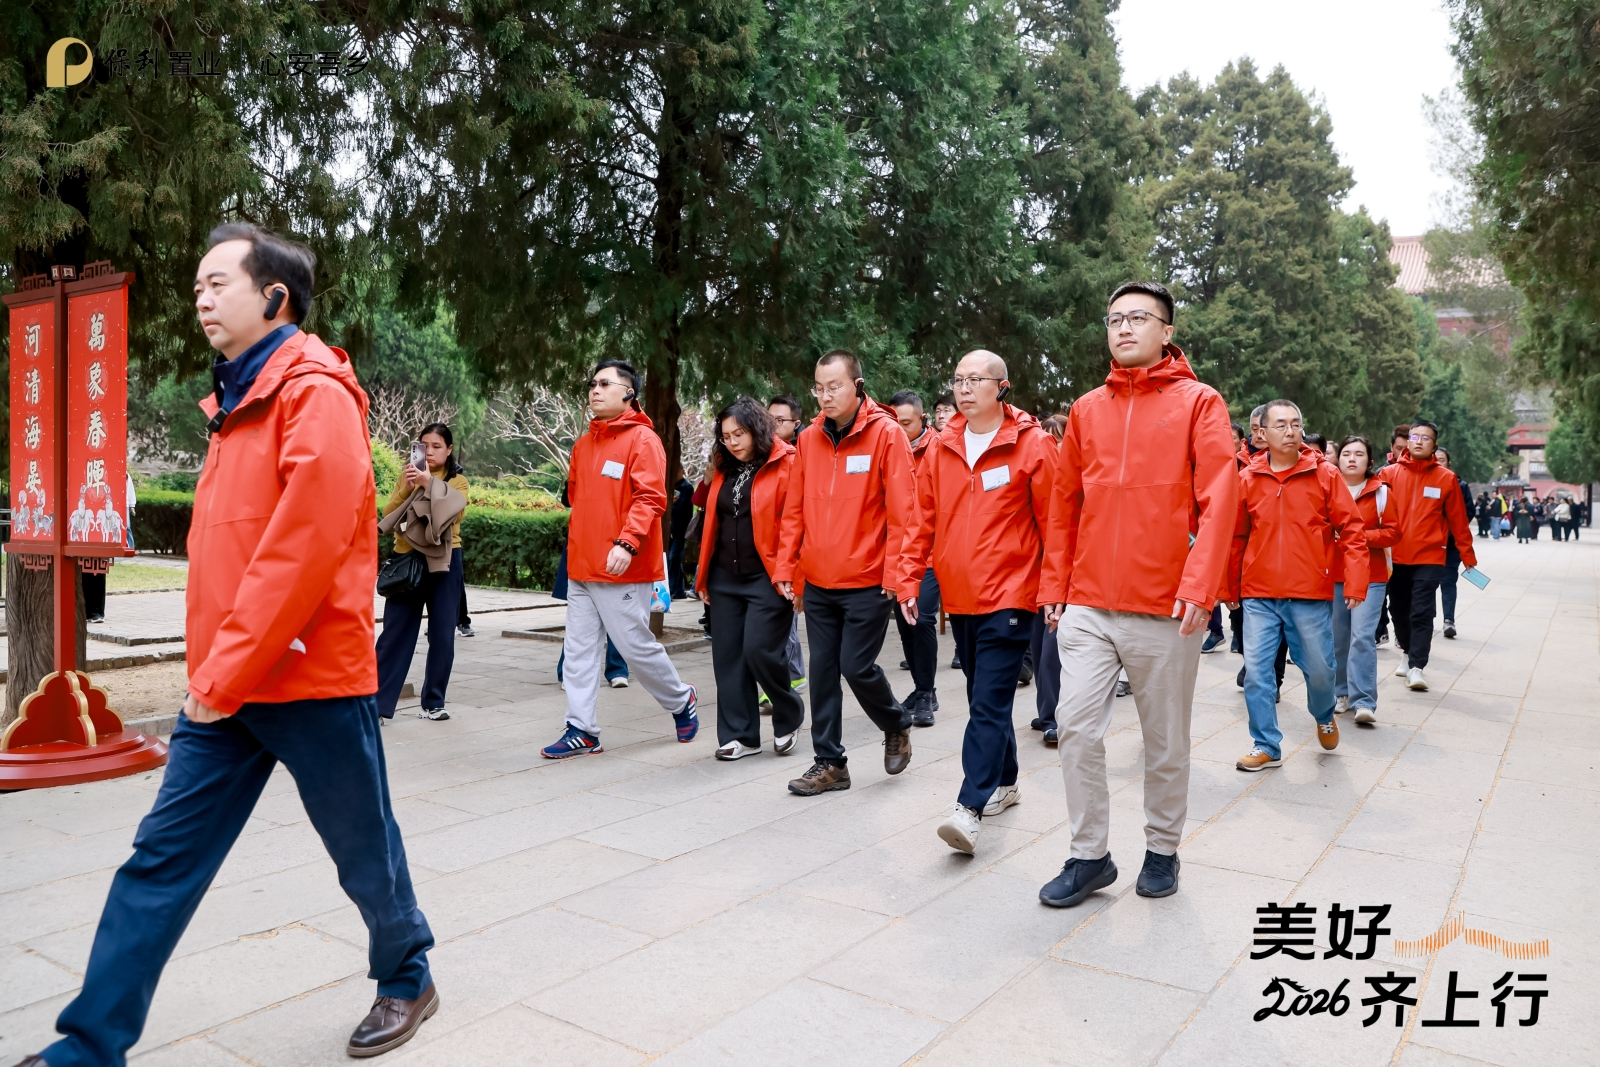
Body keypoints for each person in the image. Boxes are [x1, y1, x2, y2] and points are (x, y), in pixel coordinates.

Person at [16, 224, 440, 1067]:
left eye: (219, 284)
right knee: (160, 861)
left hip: (311, 680)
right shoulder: (237, 403)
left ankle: (408, 976)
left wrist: (222, 673)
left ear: (275, 297)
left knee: (364, 849)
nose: (201, 299)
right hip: (227, 684)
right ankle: (88, 1047)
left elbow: (301, 553)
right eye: (197, 287)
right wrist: (216, 673)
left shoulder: (315, 394)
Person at [1037, 280, 1237, 907]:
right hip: (1089, 603)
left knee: (1164, 741)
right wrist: (1055, 584)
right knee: (1074, 727)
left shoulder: (1200, 403)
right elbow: (1065, 504)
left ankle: (1162, 848)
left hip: (1165, 605)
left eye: (1138, 318)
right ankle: (1088, 855)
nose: (1123, 328)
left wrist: (1200, 585)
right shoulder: (1086, 409)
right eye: (1114, 318)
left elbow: (1220, 499)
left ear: (1167, 331)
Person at [899, 351, 1055, 854]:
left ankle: (968, 807)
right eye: (958, 379)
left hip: (1011, 593)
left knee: (987, 702)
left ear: (1002, 387)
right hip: (960, 596)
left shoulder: (1032, 444)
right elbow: (920, 520)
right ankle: (1006, 781)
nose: (964, 388)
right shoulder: (942, 447)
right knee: (982, 697)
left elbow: (1056, 523)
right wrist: (907, 580)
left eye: (975, 379)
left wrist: (1055, 590)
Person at [773, 350, 916, 795]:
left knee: (856, 666)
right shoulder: (809, 439)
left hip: (867, 579)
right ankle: (830, 763)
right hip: (818, 580)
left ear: (857, 385)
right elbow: (794, 510)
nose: (825, 396)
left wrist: (898, 576)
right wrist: (787, 566)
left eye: (834, 386)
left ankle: (896, 721)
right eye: (819, 388)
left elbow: (905, 514)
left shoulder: (886, 434)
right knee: (822, 672)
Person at [542, 359, 699, 757]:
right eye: (592, 383)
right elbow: (576, 498)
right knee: (578, 651)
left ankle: (681, 699)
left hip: (622, 566)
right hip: (582, 565)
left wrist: (626, 543)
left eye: (605, 384)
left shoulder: (644, 440)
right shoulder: (583, 445)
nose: (595, 390)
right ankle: (581, 728)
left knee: (634, 647)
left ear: (629, 393)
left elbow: (651, 498)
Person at [1225, 400, 1366, 771]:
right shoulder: (1248, 478)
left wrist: (1355, 581)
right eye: (1281, 425)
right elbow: (1236, 537)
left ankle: (1323, 713)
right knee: (1258, 672)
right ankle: (1266, 744)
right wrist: (1230, 586)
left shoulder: (1325, 475)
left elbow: (1352, 530)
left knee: (1320, 670)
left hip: (1308, 592)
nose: (1290, 431)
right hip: (1258, 593)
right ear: (1262, 433)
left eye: (1296, 424)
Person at [696, 397, 805, 760]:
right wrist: (703, 578)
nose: (732, 442)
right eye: (726, 436)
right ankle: (740, 736)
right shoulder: (723, 465)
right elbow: (712, 523)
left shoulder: (787, 461)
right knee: (728, 657)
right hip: (724, 576)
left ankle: (788, 714)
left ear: (757, 429)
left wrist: (789, 571)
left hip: (768, 576)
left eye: (739, 434)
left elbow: (794, 523)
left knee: (759, 650)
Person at [375, 423, 469, 722]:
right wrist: (407, 485)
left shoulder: (458, 481)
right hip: (407, 559)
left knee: (442, 634)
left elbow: (453, 515)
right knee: (395, 633)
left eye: (437, 446)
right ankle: (376, 705)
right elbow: (389, 513)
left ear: (449, 450)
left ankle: (433, 702)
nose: (429, 452)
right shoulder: (408, 476)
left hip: (445, 560)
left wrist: (429, 484)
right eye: (424, 446)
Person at [1379, 420, 1477, 691]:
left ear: (1434, 445)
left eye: (1426, 438)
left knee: (1422, 612)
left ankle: (1417, 667)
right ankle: (1407, 651)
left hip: (1430, 557)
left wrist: (1468, 556)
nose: (1419, 441)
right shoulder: (1388, 474)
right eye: (1415, 436)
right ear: (1407, 441)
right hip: (1394, 556)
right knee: (1398, 610)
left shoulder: (1446, 478)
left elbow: (1458, 521)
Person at [1331, 435, 1394, 725]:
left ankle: (1364, 701)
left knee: (1362, 637)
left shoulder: (1381, 492)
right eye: (1346, 453)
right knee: (1338, 637)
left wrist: (1358, 536)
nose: (1352, 459)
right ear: (1338, 458)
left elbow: (1393, 532)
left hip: (1371, 575)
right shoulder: (1326, 488)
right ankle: (1340, 693)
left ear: (1369, 460)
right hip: (1333, 574)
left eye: (1359, 454)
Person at [889, 389, 941, 726]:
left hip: (929, 554)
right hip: (896, 553)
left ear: (923, 419)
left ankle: (925, 692)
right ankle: (923, 688)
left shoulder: (939, 448)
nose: (898, 430)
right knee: (905, 623)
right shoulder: (886, 448)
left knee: (921, 618)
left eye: (905, 423)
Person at [1029, 413, 1069, 743]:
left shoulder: (1075, 478)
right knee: (1039, 645)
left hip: (1063, 575)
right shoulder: (1035, 473)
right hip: (1032, 575)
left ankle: (1053, 716)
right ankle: (1046, 711)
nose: (1051, 446)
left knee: (1052, 647)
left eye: (1057, 440)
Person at [766, 395, 809, 695]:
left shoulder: (802, 456)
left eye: (779, 420)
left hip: (790, 553)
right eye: (768, 419)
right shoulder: (761, 454)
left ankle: (788, 678)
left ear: (796, 424)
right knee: (778, 622)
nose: (773, 425)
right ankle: (789, 675)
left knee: (784, 620)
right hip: (764, 551)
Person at [1434, 445, 1471, 638]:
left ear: (1449, 463)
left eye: (1442, 459)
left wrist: (1451, 530)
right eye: (1435, 459)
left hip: (1450, 545)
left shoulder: (1460, 485)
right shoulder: (1425, 482)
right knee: (1427, 583)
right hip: (1429, 544)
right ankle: (1427, 618)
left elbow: (1468, 512)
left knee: (1448, 581)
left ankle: (1449, 620)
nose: (1438, 462)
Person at [667, 476, 695, 599]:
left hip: (681, 527)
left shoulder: (687, 487)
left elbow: (683, 509)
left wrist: (670, 504)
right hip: (671, 527)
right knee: (674, 559)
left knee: (674, 557)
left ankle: (671, 589)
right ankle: (679, 591)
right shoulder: (670, 485)